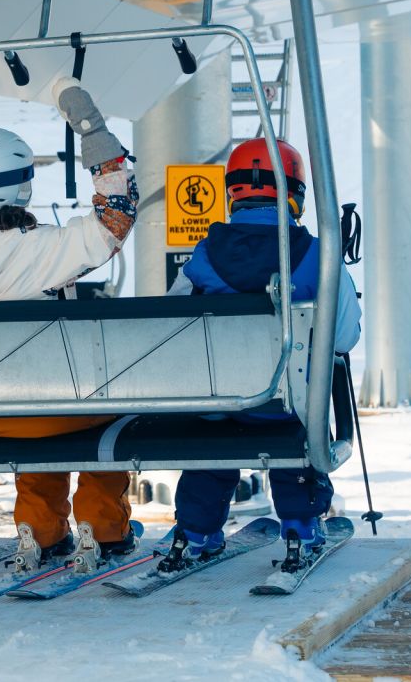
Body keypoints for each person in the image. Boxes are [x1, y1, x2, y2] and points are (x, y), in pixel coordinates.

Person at [0, 77, 140, 571]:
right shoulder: (45, 251)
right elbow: (116, 217)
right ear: (23, 184)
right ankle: (103, 527)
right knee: (96, 404)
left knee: (29, 400)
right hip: (54, 408)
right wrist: (95, 134)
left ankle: (41, 530)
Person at [162, 136, 362, 572]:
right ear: (296, 195)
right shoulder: (315, 255)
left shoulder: (204, 256)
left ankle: (196, 530)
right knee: (299, 422)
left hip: (220, 407)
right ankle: (301, 523)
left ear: (232, 192)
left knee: (212, 435)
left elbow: (174, 324)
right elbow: (344, 336)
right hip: (288, 407)